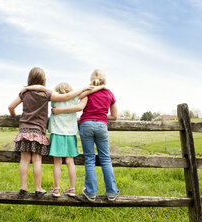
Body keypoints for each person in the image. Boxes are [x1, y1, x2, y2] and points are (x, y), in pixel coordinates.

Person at [8, 67, 91, 198]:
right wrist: (84, 88)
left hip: (24, 130)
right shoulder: (46, 94)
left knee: (24, 160)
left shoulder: (23, 93)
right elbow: (68, 96)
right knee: (36, 160)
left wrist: (13, 116)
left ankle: (23, 187)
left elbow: (11, 106)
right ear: (43, 80)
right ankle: (38, 188)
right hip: (38, 131)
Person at [22, 82, 106, 197]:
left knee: (57, 163)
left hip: (57, 134)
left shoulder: (55, 98)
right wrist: (101, 86)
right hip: (70, 134)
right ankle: (72, 188)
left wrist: (28, 88)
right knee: (70, 162)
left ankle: (56, 189)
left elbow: (42, 88)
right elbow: (89, 91)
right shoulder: (75, 98)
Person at [52, 69, 119, 201]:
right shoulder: (109, 94)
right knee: (105, 158)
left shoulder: (86, 92)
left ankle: (91, 192)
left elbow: (78, 106)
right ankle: (111, 192)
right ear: (104, 80)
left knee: (89, 159)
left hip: (86, 124)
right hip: (101, 125)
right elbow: (115, 116)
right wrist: (101, 115)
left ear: (91, 79)